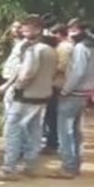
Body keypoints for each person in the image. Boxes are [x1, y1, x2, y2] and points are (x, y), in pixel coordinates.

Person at [0, 15, 57, 182]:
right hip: (42, 96)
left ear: (38, 30)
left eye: (28, 27)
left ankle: (8, 169)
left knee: (12, 130)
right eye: (23, 27)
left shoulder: (33, 50)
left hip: (25, 97)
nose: (23, 30)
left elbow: (27, 74)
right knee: (34, 131)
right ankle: (31, 166)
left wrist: (15, 87)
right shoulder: (49, 49)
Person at [48, 20, 94, 179]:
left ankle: (68, 167)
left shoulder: (80, 48)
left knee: (65, 131)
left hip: (74, 92)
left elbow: (77, 72)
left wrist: (65, 90)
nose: (70, 33)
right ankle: (75, 164)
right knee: (76, 131)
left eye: (72, 30)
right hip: (85, 92)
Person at [41, 23, 73, 155]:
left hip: (59, 84)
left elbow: (62, 66)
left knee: (53, 115)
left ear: (59, 34)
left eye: (54, 34)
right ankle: (54, 141)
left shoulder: (64, 48)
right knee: (54, 115)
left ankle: (53, 143)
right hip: (61, 84)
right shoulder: (66, 46)